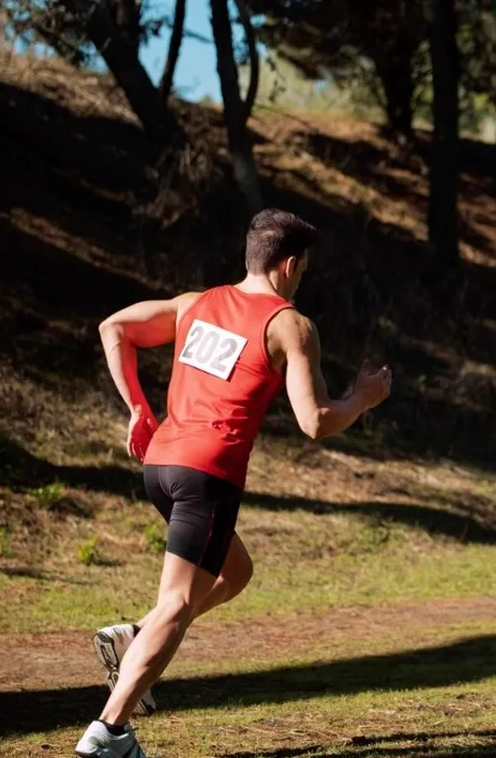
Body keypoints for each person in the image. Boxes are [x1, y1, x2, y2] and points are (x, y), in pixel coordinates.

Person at [75, 209, 392, 758]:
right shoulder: (289, 324)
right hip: (207, 473)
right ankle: (111, 730)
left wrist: (137, 409)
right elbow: (315, 421)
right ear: (290, 264)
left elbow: (114, 328)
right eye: (304, 269)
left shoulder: (194, 303)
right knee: (177, 601)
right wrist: (361, 399)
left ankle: (134, 635)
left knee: (235, 571)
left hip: (161, 467)